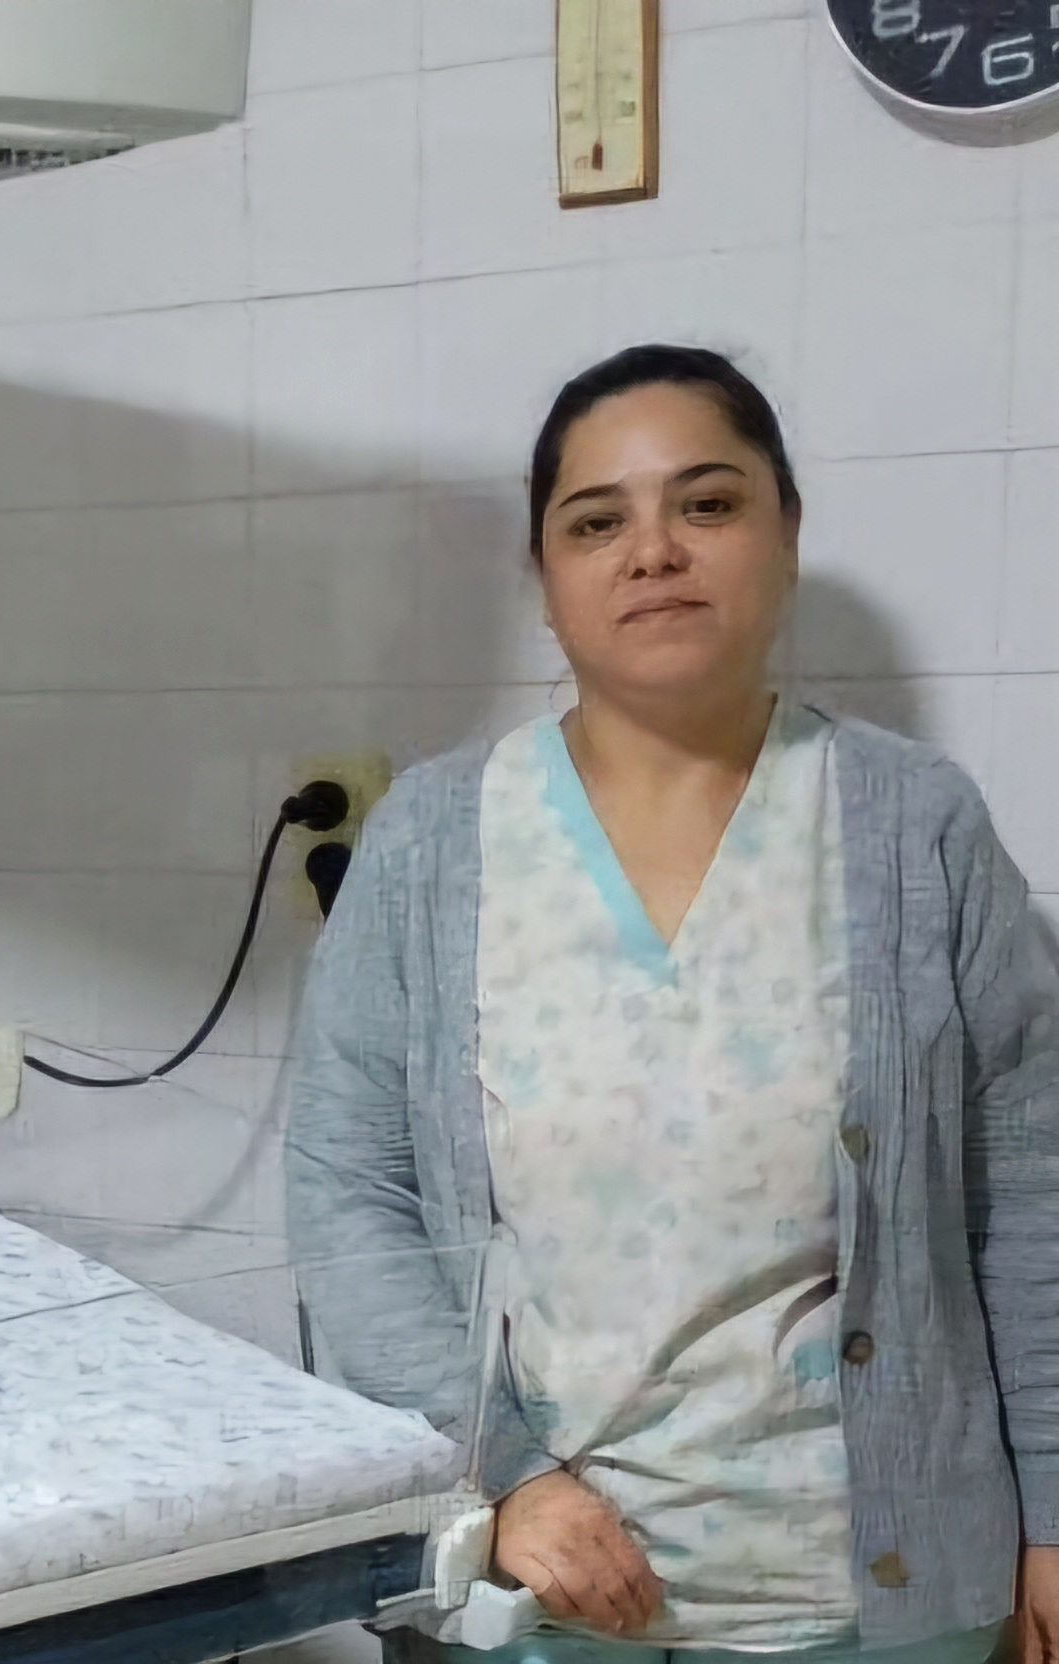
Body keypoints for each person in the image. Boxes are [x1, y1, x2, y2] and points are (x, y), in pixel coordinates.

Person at [286, 345, 1059, 1663]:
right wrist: (503, 1474)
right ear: (546, 581)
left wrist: (1052, 1511)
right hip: (536, 1599)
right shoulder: (431, 840)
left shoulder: (915, 825)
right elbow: (347, 1187)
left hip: (873, 1604)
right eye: (597, 522)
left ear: (786, 534)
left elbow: (1030, 1187)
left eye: (707, 503)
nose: (653, 551)